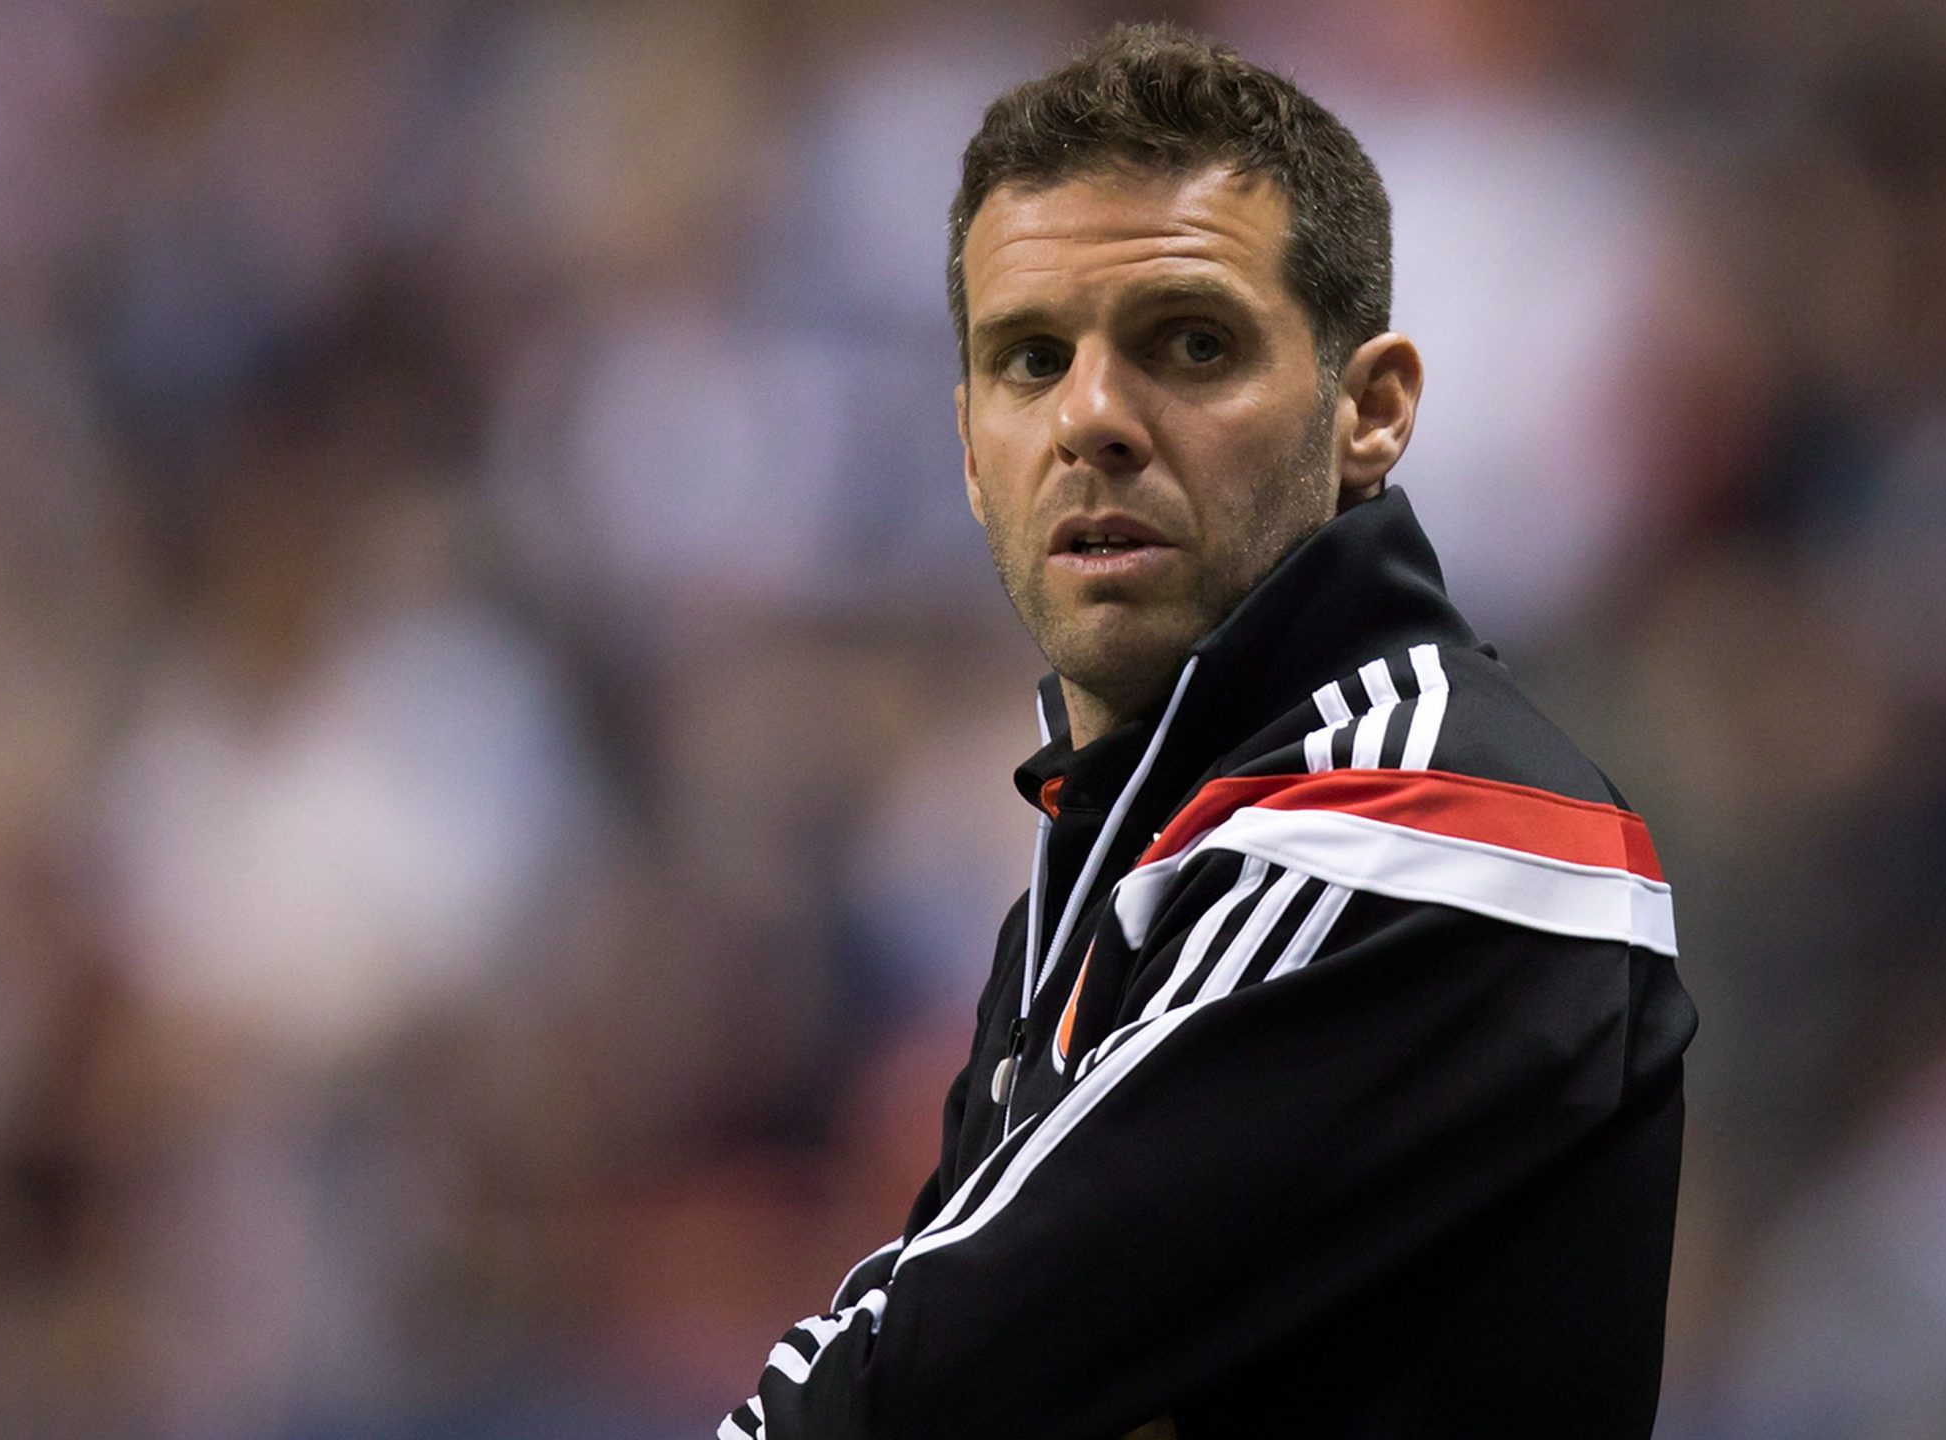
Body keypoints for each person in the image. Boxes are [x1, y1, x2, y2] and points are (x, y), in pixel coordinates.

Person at [723, 23, 1694, 1439]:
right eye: (1031, 360)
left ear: (1371, 411)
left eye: (1190, 343)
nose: (1095, 419)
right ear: (969, 448)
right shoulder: (1107, 860)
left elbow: (910, 1395)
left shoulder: (1425, 817)